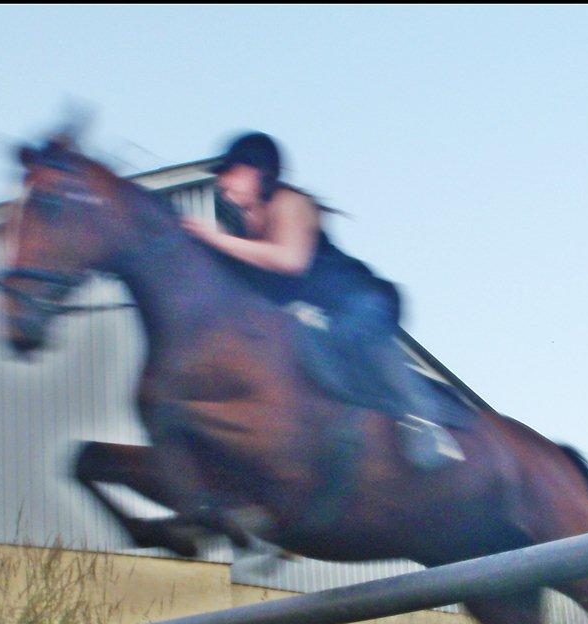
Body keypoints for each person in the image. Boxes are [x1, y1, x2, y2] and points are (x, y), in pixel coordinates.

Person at [180, 132, 464, 469]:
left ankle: (424, 419)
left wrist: (215, 239)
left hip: (361, 300)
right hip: (311, 318)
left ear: (260, 172)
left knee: (349, 332)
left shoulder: (291, 203)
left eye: (232, 172)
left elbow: (291, 260)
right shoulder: (242, 232)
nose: (222, 182)